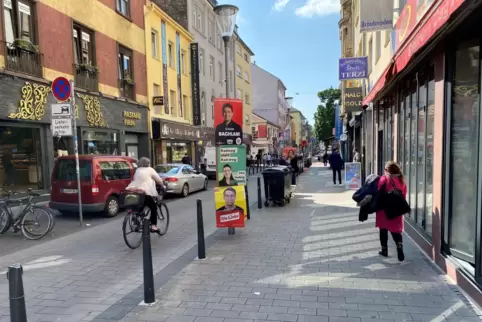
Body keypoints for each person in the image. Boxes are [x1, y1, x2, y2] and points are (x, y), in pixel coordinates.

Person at [376, 161, 407, 262]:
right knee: (396, 231)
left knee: (383, 229)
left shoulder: (384, 179)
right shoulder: (401, 180)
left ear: (387, 170)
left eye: (385, 170)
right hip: (397, 209)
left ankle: (384, 250)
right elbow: (404, 195)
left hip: (384, 209)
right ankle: (399, 246)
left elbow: (378, 193)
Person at [126, 157, 164, 233]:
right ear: (147, 163)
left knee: (141, 204)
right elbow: (159, 180)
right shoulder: (150, 169)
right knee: (153, 207)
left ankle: (136, 217)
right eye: (149, 162)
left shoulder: (138, 170)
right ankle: (153, 226)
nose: (149, 164)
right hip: (146, 191)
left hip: (136, 190)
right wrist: (162, 184)